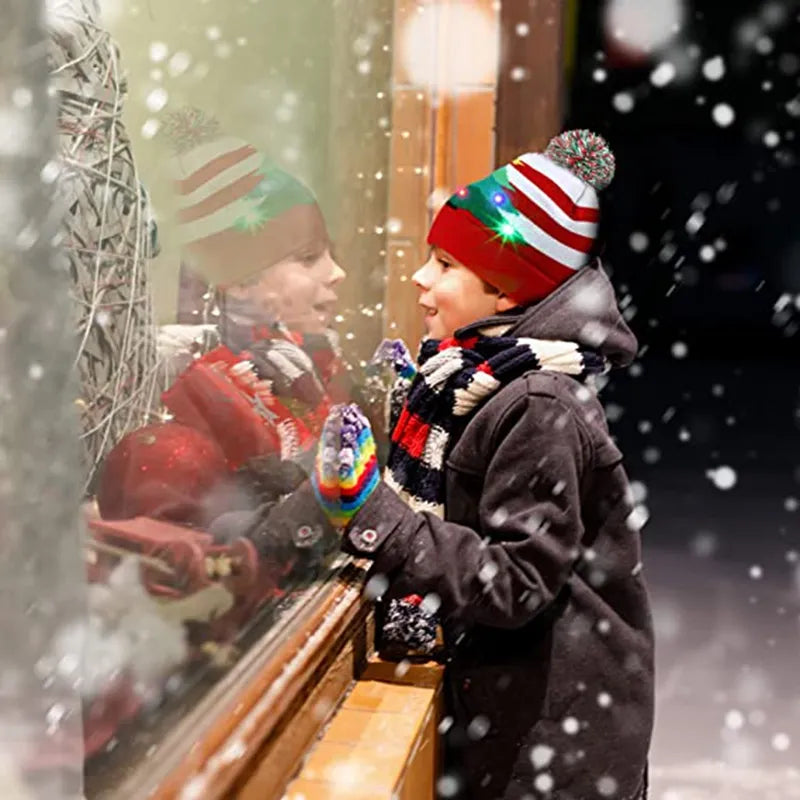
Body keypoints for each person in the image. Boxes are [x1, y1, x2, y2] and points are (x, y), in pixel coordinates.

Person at [310, 130, 655, 799]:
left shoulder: (537, 404)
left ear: (503, 292)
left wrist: (374, 513)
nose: (420, 277)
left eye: (444, 263)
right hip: (512, 722)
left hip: (554, 751)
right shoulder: (470, 379)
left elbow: (515, 583)